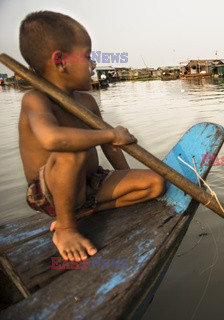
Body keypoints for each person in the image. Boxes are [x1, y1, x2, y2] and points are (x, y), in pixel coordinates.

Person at [19, 11, 165, 262]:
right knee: (72, 148)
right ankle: (65, 228)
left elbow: (111, 145)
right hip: (52, 192)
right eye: (87, 56)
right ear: (60, 60)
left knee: (154, 184)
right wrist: (110, 134)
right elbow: (52, 140)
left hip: (91, 186)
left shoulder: (86, 101)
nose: (93, 64)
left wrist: (122, 170)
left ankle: (83, 213)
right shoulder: (36, 99)